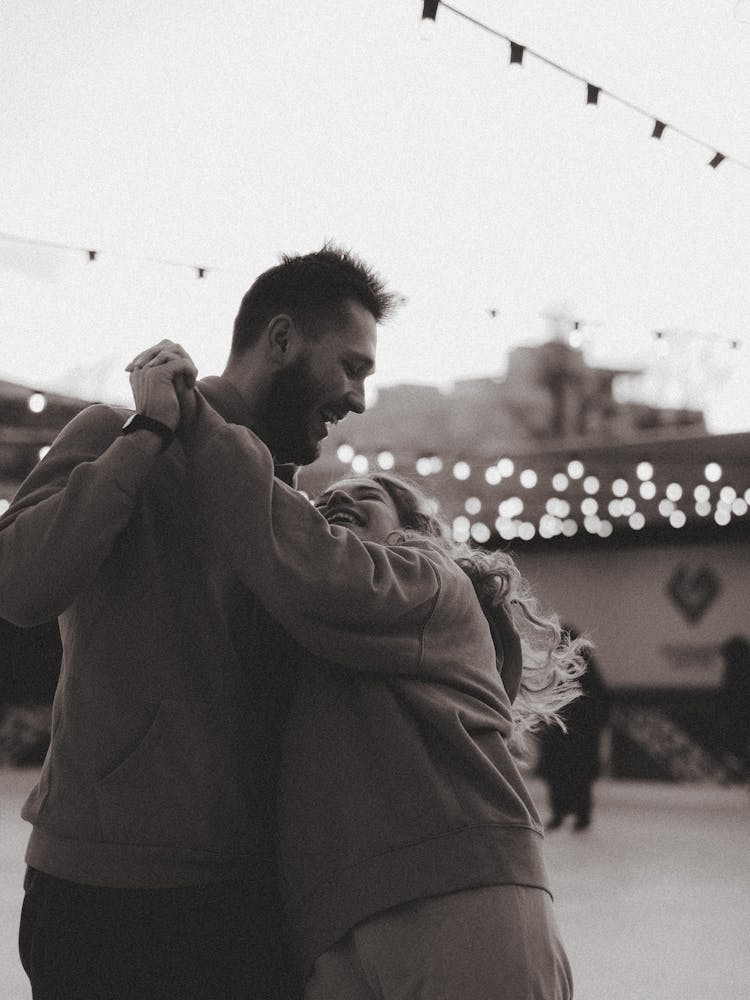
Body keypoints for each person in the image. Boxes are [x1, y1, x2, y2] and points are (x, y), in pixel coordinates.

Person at [126, 342, 588, 999]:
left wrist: (197, 419)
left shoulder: (432, 583)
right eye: (326, 501)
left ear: (415, 528)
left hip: (463, 895)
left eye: (365, 496)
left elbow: (309, 560)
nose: (337, 503)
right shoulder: (309, 630)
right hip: (335, 920)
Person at [0, 244, 396, 1000]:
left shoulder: (296, 515)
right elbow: (18, 586)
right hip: (105, 889)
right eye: (352, 367)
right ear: (280, 340)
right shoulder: (115, 434)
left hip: (253, 895)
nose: (357, 398)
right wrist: (146, 437)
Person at [538, 631, 609, 830]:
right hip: (575, 738)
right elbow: (601, 706)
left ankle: (568, 815)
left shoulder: (556, 672)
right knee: (573, 778)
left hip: (570, 737)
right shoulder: (587, 674)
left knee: (567, 777)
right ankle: (576, 815)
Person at [718, 635, 750, 782]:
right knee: (739, 746)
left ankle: (737, 774)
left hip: (738, 717)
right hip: (739, 717)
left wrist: (725, 715)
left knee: (737, 746)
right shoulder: (734, 671)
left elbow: (727, 697)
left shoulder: (732, 672)